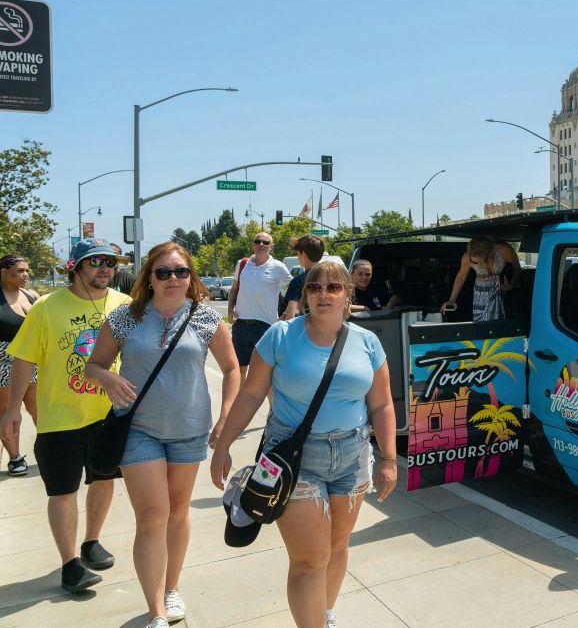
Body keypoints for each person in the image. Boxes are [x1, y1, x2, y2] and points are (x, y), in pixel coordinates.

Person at [211, 261, 397, 628]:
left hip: (352, 456)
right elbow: (251, 393)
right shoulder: (281, 336)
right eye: (315, 288)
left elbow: (382, 403)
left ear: (347, 294)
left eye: (333, 287)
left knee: (337, 546)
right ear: (304, 294)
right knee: (310, 559)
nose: (323, 294)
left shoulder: (367, 342)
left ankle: (323, 616)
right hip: (292, 459)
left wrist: (388, 458)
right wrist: (224, 444)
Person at [85, 242, 240, 628]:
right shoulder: (125, 318)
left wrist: (224, 419)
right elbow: (94, 365)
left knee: (177, 512)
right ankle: (156, 609)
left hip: (189, 431)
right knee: (152, 517)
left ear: (191, 277)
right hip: (138, 428)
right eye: (164, 272)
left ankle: (172, 588)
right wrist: (107, 378)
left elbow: (233, 369)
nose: (173, 279)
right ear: (149, 278)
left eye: (181, 272)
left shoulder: (206, 319)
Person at [0, 239, 131, 593]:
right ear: (75, 266)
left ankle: (92, 541)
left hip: (109, 415)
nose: (105, 268)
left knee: (104, 480)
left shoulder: (126, 306)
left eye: (110, 262)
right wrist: (13, 409)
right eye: (95, 262)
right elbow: (24, 358)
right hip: (59, 417)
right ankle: (70, 563)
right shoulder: (46, 308)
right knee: (63, 491)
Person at [226, 232, 290, 391]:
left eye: (266, 242)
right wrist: (230, 310)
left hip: (265, 327)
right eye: (258, 241)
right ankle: (237, 406)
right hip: (241, 325)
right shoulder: (242, 264)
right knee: (239, 368)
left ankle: (273, 410)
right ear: (253, 245)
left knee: (266, 372)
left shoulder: (278, 267)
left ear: (271, 246)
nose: (261, 244)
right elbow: (234, 289)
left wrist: (285, 315)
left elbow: (294, 290)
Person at [0, 254, 39, 476]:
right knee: (7, 410)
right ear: (3, 271)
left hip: (33, 360)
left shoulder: (31, 295)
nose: (25, 275)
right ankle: (15, 458)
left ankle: (49, 450)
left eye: (27, 271)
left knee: (39, 408)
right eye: (20, 271)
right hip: (4, 363)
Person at [442, 236, 521, 321]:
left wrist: (512, 284)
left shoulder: (504, 250)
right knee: (481, 325)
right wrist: (452, 300)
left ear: (490, 253)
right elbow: (461, 276)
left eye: (481, 261)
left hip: (501, 294)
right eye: (475, 262)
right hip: (480, 296)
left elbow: (517, 268)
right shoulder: (467, 257)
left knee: (501, 323)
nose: (478, 264)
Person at [281, 234, 325, 321]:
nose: (298, 257)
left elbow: (291, 314)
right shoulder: (331, 276)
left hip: (309, 328)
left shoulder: (298, 281)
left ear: (303, 255)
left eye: (298, 253)